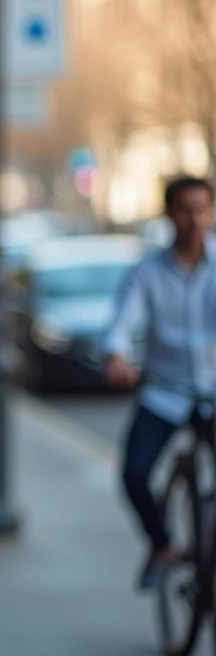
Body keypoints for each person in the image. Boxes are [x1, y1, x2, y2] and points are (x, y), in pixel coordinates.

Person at [102, 175, 216, 592]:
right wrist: (116, 356)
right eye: (184, 211)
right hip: (165, 391)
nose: (194, 220)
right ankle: (162, 544)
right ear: (169, 214)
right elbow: (121, 324)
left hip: (213, 392)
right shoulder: (147, 271)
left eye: (201, 210)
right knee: (134, 473)